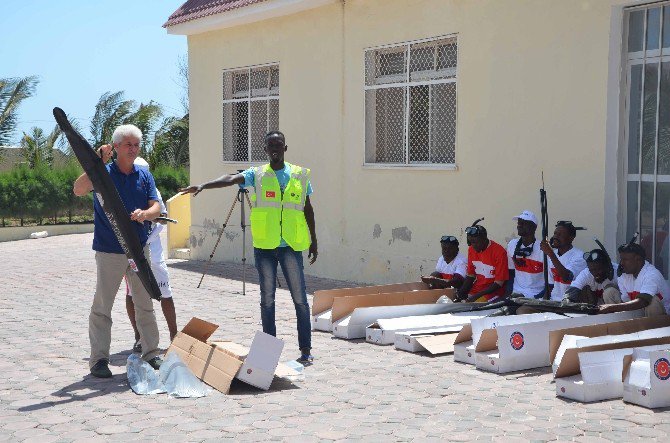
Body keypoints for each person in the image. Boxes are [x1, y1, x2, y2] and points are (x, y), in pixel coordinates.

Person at [180, 131, 317, 363]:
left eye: (279, 144)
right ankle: (268, 351)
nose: (275, 148)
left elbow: (308, 208)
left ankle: (305, 349)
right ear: (265, 149)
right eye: (270, 145)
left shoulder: (299, 175)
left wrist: (314, 240)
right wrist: (203, 185)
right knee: (267, 299)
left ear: (285, 147)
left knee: (300, 299)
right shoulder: (258, 174)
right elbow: (230, 179)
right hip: (265, 246)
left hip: (291, 246)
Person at [73, 124, 162, 378]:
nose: (133, 149)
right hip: (109, 251)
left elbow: (156, 206)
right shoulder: (102, 173)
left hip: (138, 249)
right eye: (128, 145)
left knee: (144, 304)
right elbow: (79, 189)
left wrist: (146, 214)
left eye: (136, 145)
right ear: (116, 147)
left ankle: (152, 353)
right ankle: (99, 360)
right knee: (103, 306)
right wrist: (96, 161)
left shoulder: (144, 175)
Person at [125, 157, 178, 353]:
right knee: (132, 293)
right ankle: (139, 337)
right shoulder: (123, 190)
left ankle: (174, 335)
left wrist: (150, 217)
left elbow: (161, 216)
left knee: (165, 291)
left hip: (153, 252)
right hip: (132, 250)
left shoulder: (153, 192)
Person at [599, 242, 669, 316]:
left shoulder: (652, 274)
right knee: (609, 292)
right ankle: (620, 325)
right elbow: (625, 301)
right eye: (621, 259)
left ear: (638, 260)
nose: (621, 263)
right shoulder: (624, 275)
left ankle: (653, 327)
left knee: (652, 301)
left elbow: (643, 302)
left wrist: (611, 307)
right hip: (638, 311)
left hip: (663, 318)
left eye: (625, 259)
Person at [454, 221, 509, 303]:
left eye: (476, 242)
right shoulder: (472, 249)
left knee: (470, 307)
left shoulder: (499, 252)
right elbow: (470, 275)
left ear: (484, 239)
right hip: (476, 290)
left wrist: (475, 297)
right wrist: (461, 292)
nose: (473, 245)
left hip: (493, 292)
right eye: (471, 242)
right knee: (457, 303)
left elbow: (499, 283)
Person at [540, 221, 587, 301]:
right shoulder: (553, 255)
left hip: (569, 302)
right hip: (553, 301)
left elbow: (566, 277)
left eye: (560, 234)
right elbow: (550, 285)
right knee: (524, 310)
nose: (555, 237)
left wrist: (551, 254)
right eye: (555, 233)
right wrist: (543, 303)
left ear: (571, 238)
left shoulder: (579, 256)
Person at [506, 210, 545, 299]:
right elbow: (511, 272)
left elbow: (549, 281)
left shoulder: (543, 249)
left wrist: (534, 297)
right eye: (519, 223)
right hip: (515, 294)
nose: (519, 225)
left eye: (523, 223)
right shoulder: (512, 244)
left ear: (533, 227)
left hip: (535, 295)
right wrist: (509, 292)